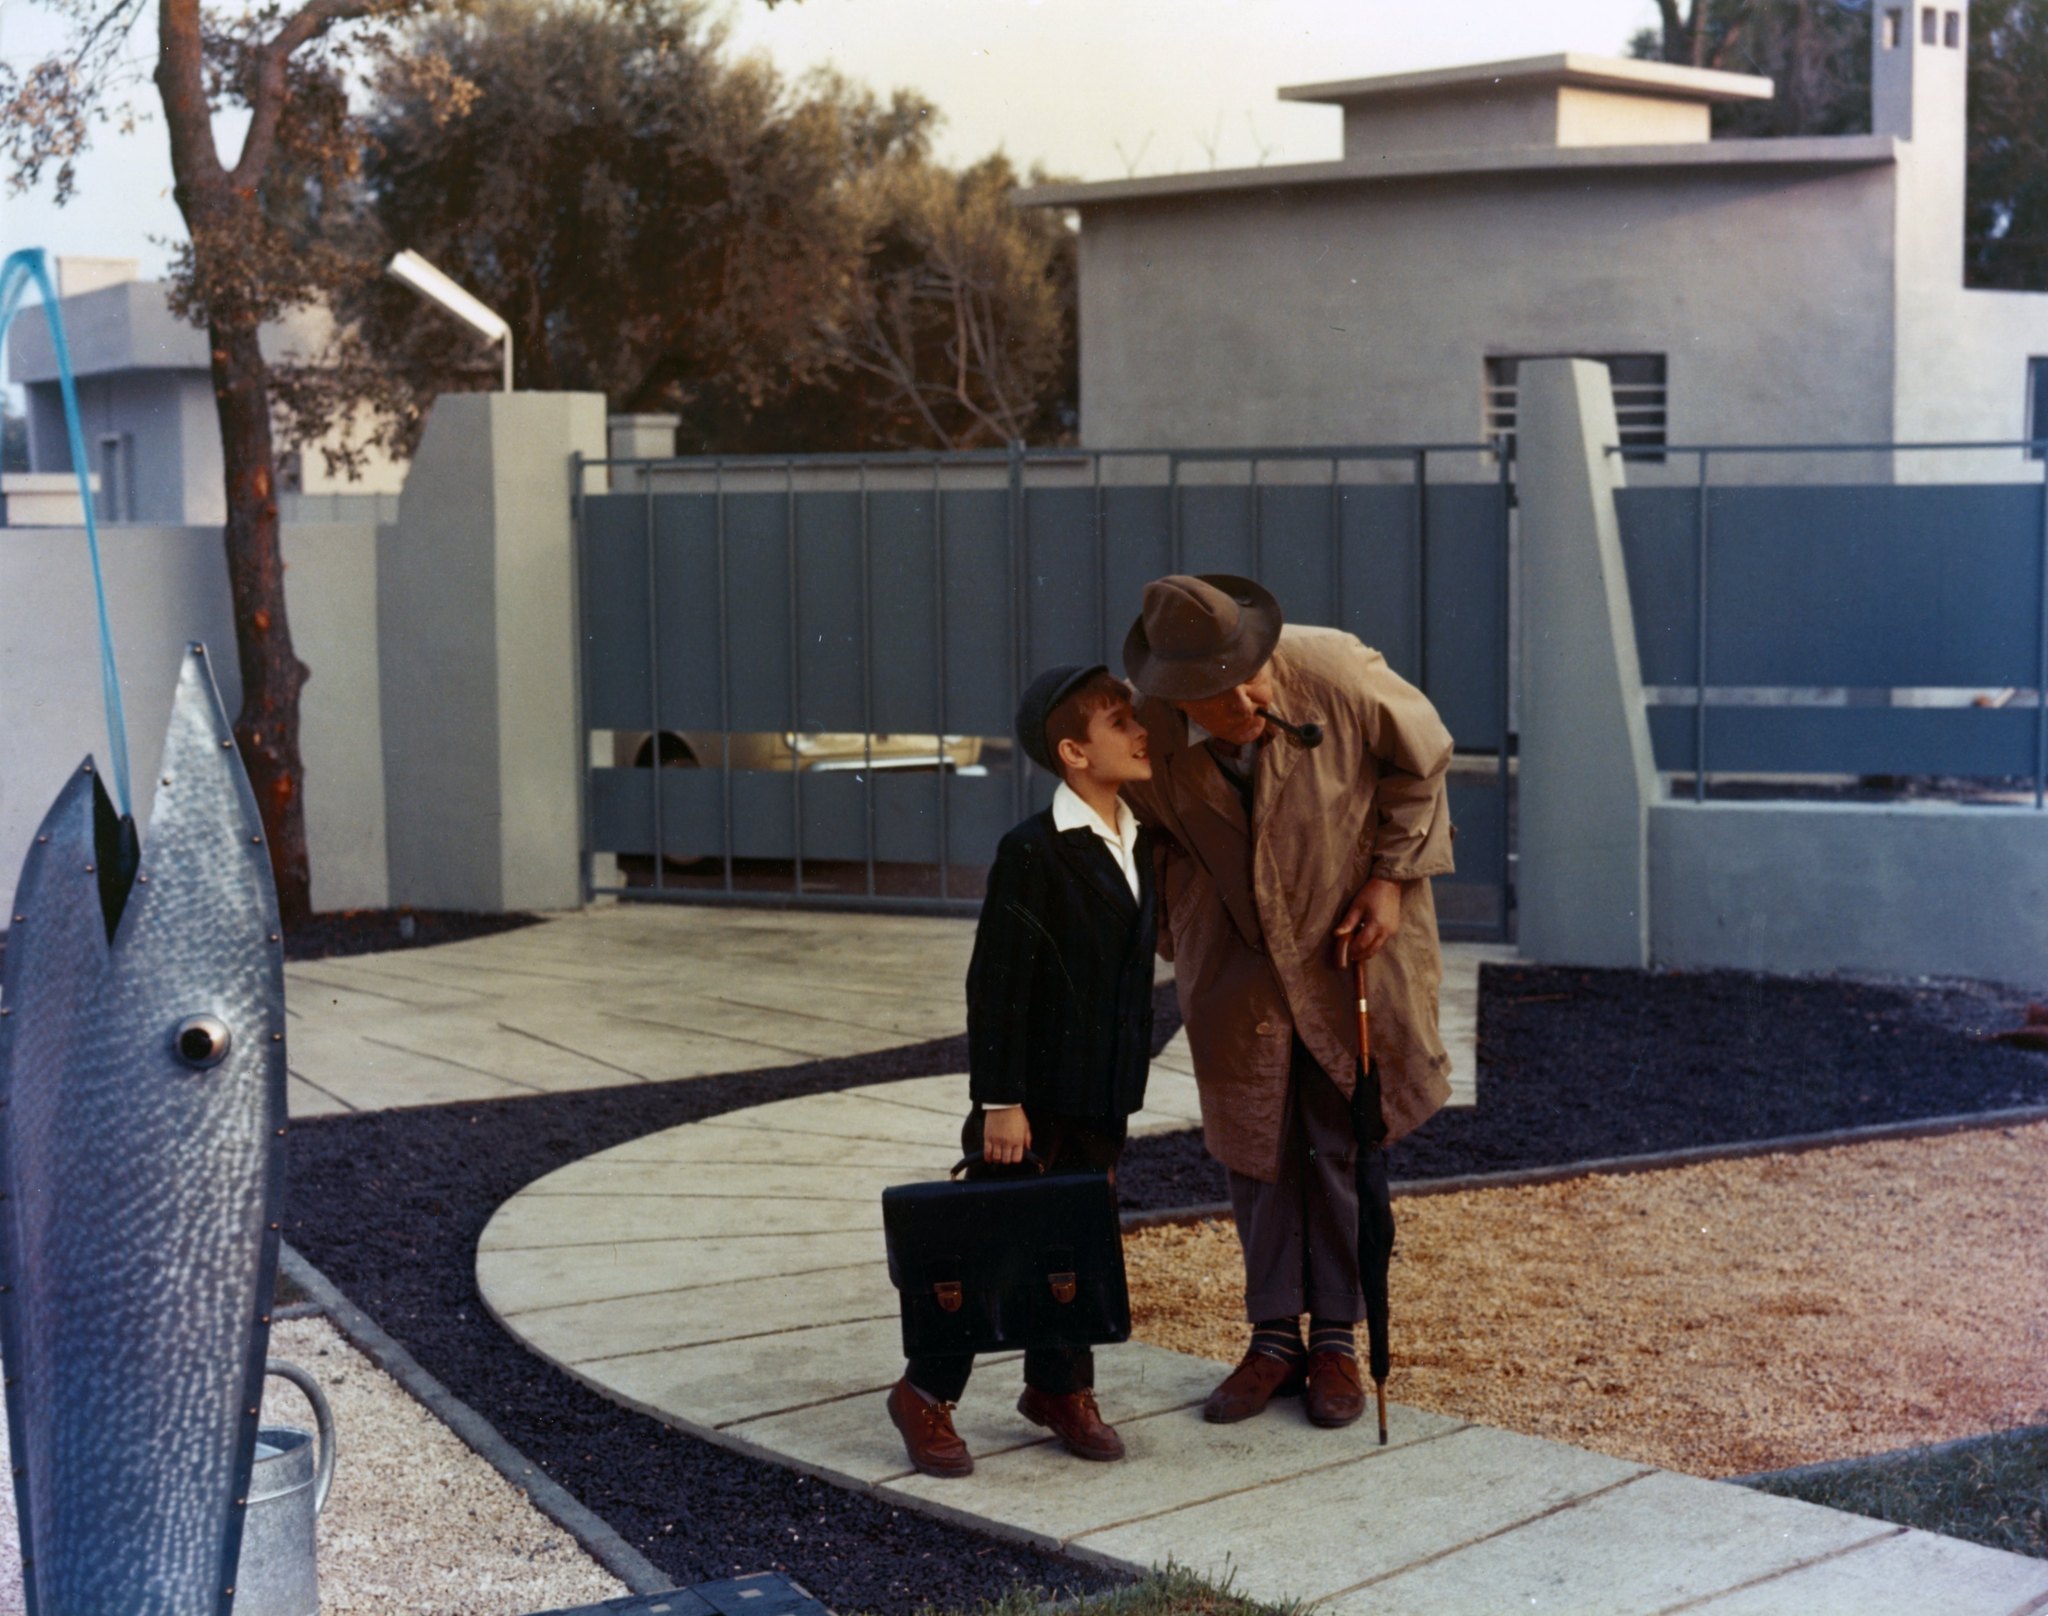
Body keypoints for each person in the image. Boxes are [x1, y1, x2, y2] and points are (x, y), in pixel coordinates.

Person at [1119, 573, 1455, 1429]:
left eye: (1253, 674)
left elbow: (1424, 768)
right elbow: (1143, 832)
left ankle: (1336, 1340)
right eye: (1218, 694)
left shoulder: (1337, 669)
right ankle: (1274, 1338)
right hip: (1231, 955)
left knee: (1342, 1130)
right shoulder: (1147, 729)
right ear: (1172, 690)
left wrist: (1389, 881)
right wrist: (1188, 926)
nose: (1247, 698)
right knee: (1255, 1139)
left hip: (1351, 941)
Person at [885, 664, 1158, 1478]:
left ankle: (1058, 1389)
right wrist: (1000, 1100)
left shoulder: (1137, 835)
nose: (1141, 733)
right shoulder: (1033, 851)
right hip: (1030, 1100)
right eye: (1120, 724)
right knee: (987, 1250)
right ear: (1075, 751)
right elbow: (996, 983)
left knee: (1076, 1243)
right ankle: (924, 1393)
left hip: (1101, 1094)